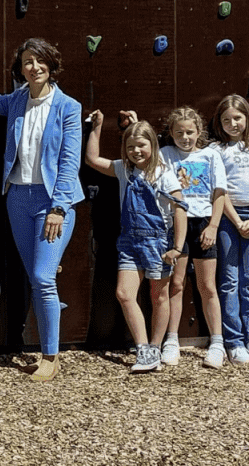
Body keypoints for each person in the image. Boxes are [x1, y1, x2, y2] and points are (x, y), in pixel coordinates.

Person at [0, 33, 83, 383]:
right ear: (20, 69)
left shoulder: (69, 107)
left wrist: (58, 207)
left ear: (51, 66)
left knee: (42, 277)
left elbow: (69, 162)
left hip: (53, 203)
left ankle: (51, 357)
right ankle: (47, 346)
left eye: (40, 61)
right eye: (27, 62)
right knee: (37, 279)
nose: (34, 67)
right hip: (18, 199)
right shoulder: (16, 100)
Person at [85, 113, 185, 373]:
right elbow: (93, 160)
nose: (136, 151)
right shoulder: (123, 169)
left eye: (141, 145)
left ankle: (154, 347)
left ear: (152, 145)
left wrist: (177, 246)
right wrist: (96, 129)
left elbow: (180, 210)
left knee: (158, 295)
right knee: (124, 294)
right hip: (129, 241)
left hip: (158, 243)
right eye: (130, 147)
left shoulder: (164, 174)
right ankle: (143, 349)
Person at [158, 106, 228, 369]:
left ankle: (217, 343)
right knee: (176, 284)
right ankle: (172, 341)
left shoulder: (211, 155)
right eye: (179, 133)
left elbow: (220, 193)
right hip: (177, 223)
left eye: (189, 132)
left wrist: (213, 226)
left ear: (198, 132)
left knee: (207, 286)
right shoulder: (165, 154)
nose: (185, 137)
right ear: (171, 134)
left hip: (203, 223)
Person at [212, 95, 249, 366]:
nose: (232, 124)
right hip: (228, 219)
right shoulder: (217, 150)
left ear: (247, 118)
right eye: (226, 120)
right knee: (230, 280)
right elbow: (220, 190)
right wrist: (237, 222)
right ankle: (234, 341)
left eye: (237, 118)